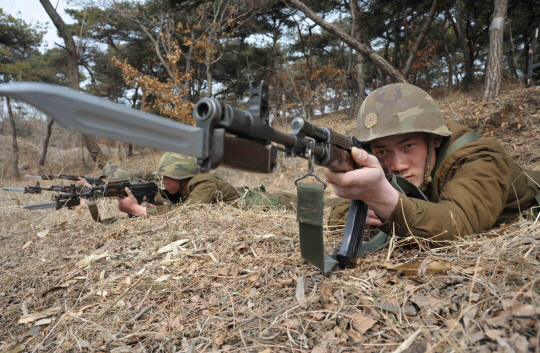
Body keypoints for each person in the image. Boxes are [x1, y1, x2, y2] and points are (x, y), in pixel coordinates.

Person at [325, 83, 540, 244]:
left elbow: (458, 225)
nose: (398, 165)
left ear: (434, 139)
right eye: (382, 151)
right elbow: (338, 214)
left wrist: (386, 201)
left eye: (408, 146)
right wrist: (367, 207)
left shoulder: (480, 158)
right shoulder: (387, 165)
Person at [117, 152, 297, 216]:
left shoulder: (204, 182)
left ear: (183, 177)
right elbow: (169, 200)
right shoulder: (185, 186)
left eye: (167, 177)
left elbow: (187, 212)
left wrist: (139, 210)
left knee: (317, 204)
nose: (163, 181)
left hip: (273, 203)